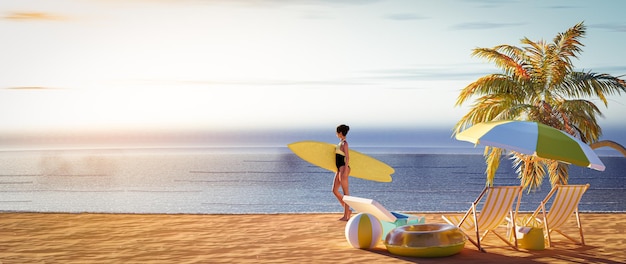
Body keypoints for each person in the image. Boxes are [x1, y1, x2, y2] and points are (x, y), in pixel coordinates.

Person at [333, 124, 351, 221]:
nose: (336, 134)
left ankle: (346, 216)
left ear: (340, 133)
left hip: (344, 168)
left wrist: (345, 172)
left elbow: (347, 157)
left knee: (346, 193)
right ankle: (347, 210)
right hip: (339, 169)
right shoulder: (340, 143)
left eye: (337, 132)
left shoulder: (345, 144)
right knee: (334, 190)